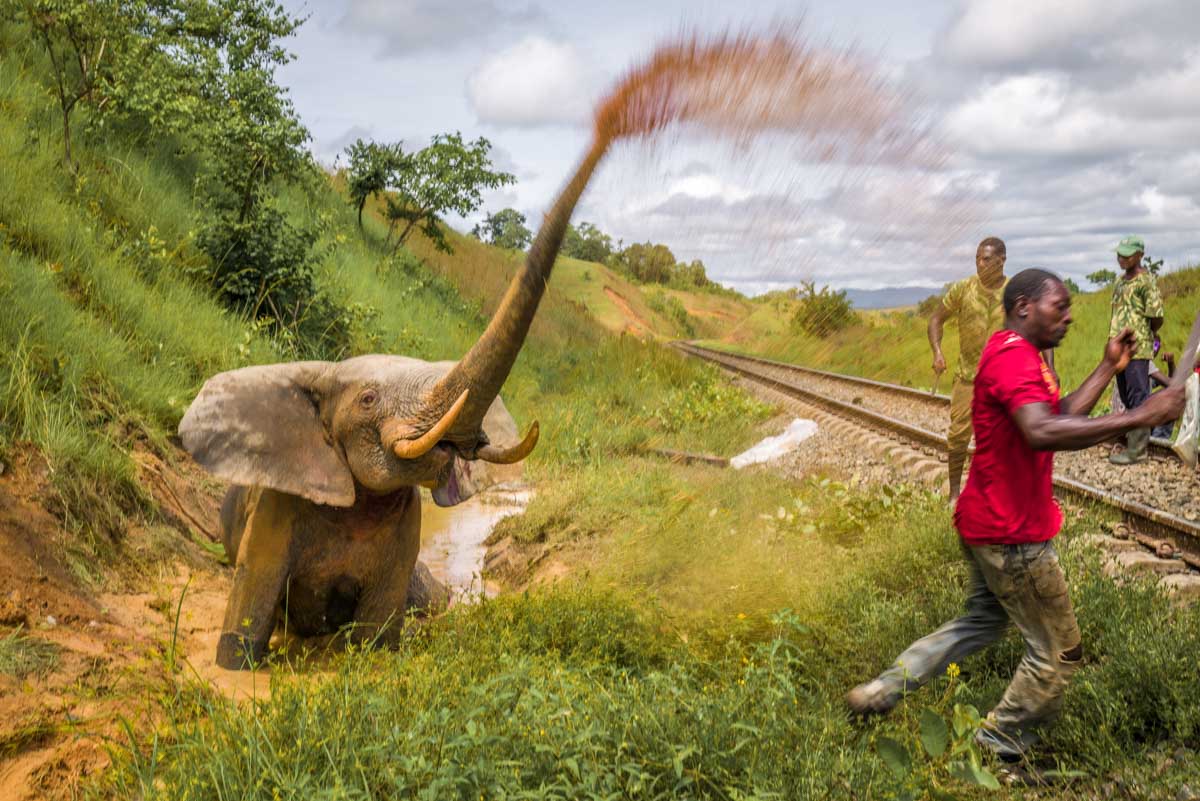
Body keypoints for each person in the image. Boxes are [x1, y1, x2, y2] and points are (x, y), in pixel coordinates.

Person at [847, 269, 1184, 761]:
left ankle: (882, 689)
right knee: (1058, 650)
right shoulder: (1010, 356)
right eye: (1059, 307)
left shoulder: (1022, 356)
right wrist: (1142, 415)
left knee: (980, 622)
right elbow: (1041, 432)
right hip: (1011, 535)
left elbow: (1059, 413)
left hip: (988, 520)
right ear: (1024, 307)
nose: (1069, 316)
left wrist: (1109, 367)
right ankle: (999, 747)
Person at [928, 237, 1007, 502]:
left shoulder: (1014, 291)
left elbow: (1036, 327)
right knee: (958, 435)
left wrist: (1047, 367)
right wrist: (938, 351)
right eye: (977, 258)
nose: (979, 264)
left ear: (1001, 261)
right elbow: (937, 318)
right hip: (967, 377)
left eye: (986, 259)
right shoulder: (963, 289)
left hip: (1001, 379)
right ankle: (953, 494)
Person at [1107, 235, 1165, 464]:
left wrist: (1146, 335)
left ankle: (1138, 451)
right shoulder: (1120, 282)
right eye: (1120, 254)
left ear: (1140, 255)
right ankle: (1132, 442)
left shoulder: (1146, 281)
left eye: (1127, 254)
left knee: (1139, 397)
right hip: (1118, 350)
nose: (1121, 258)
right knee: (1126, 395)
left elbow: (1156, 316)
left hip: (1137, 349)